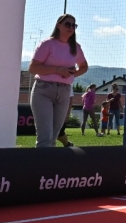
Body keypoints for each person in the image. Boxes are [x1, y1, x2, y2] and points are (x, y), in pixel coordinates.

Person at [28, 14, 89, 148]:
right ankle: (42, 162)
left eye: (74, 25)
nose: (71, 27)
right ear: (58, 25)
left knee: (54, 137)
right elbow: (33, 68)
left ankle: (50, 161)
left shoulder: (76, 47)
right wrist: (57, 70)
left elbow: (84, 66)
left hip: (64, 92)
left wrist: (73, 73)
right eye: (67, 24)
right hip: (43, 90)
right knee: (45, 137)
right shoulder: (47, 44)